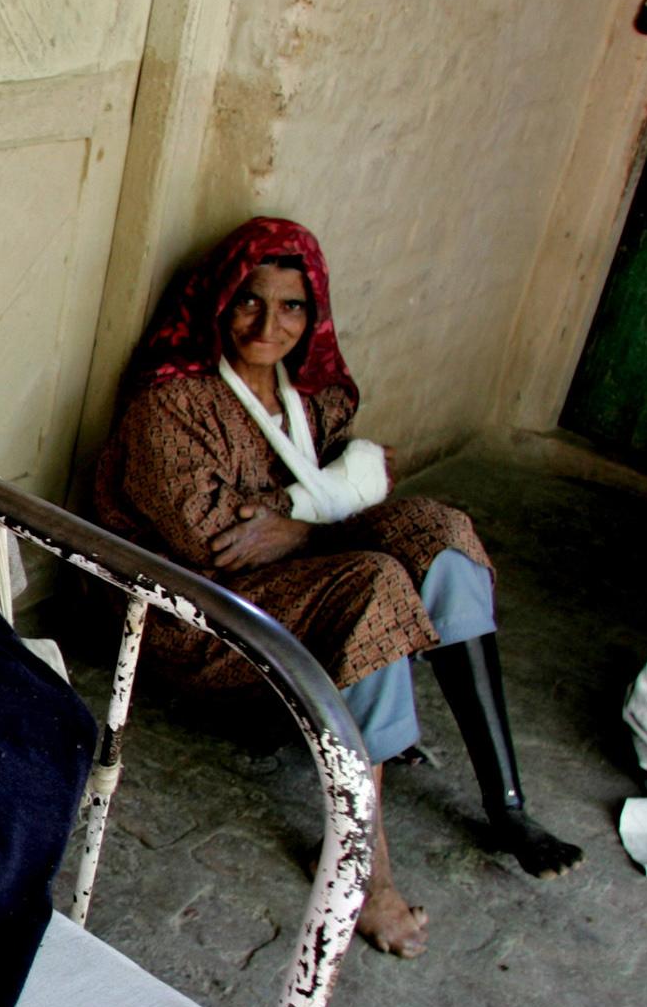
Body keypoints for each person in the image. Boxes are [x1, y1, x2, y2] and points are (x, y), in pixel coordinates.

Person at [92, 217, 580, 959]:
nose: (269, 324)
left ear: (312, 314)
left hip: (288, 581)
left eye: (292, 307)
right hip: (194, 618)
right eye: (249, 301)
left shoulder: (308, 397)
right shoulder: (172, 407)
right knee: (375, 583)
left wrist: (299, 519)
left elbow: (357, 475)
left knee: (438, 531)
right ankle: (366, 877)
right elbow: (218, 545)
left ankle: (507, 804)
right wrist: (323, 515)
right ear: (218, 302)